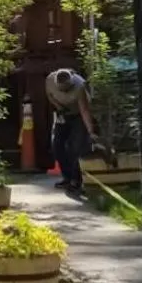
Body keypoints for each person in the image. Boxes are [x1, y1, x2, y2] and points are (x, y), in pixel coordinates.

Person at [45, 66, 96, 197]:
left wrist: (91, 131)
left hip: (78, 115)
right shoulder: (50, 80)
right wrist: (59, 107)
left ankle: (76, 180)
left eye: (67, 89)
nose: (65, 92)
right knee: (57, 145)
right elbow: (50, 96)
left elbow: (84, 110)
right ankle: (66, 177)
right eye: (61, 89)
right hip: (63, 113)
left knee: (76, 147)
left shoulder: (80, 86)